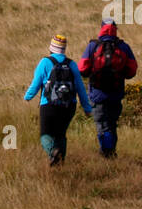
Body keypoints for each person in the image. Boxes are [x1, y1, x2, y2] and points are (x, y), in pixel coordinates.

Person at [23, 33, 91, 167]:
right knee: (61, 135)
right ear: (64, 49)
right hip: (69, 106)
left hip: (48, 105)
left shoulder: (45, 62)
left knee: (46, 134)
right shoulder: (72, 64)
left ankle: (53, 153)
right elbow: (81, 89)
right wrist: (87, 108)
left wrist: (27, 97)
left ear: (51, 48)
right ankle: (60, 164)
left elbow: (36, 84)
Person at [78, 17, 138, 159]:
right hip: (116, 93)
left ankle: (107, 152)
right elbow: (132, 70)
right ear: (115, 29)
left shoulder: (93, 46)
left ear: (101, 29)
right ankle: (110, 151)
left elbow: (82, 68)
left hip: (97, 93)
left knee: (101, 124)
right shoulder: (123, 47)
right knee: (111, 123)